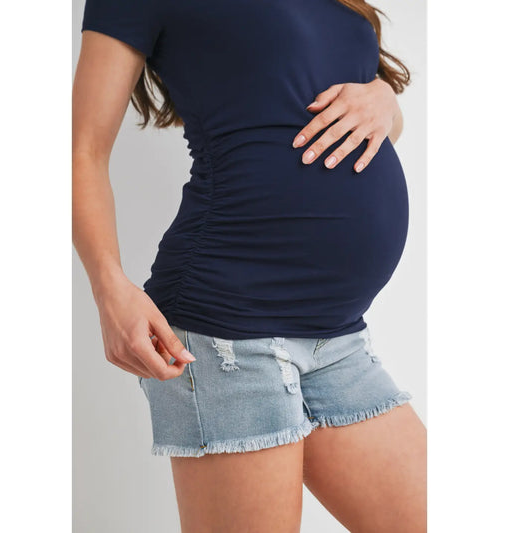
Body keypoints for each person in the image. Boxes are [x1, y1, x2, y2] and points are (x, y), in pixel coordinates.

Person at [72, 0, 426, 531]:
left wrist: (384, 99)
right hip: (228, 332)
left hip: (337, 338)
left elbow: (364, 127)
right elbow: (81, 151)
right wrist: (108, 287)